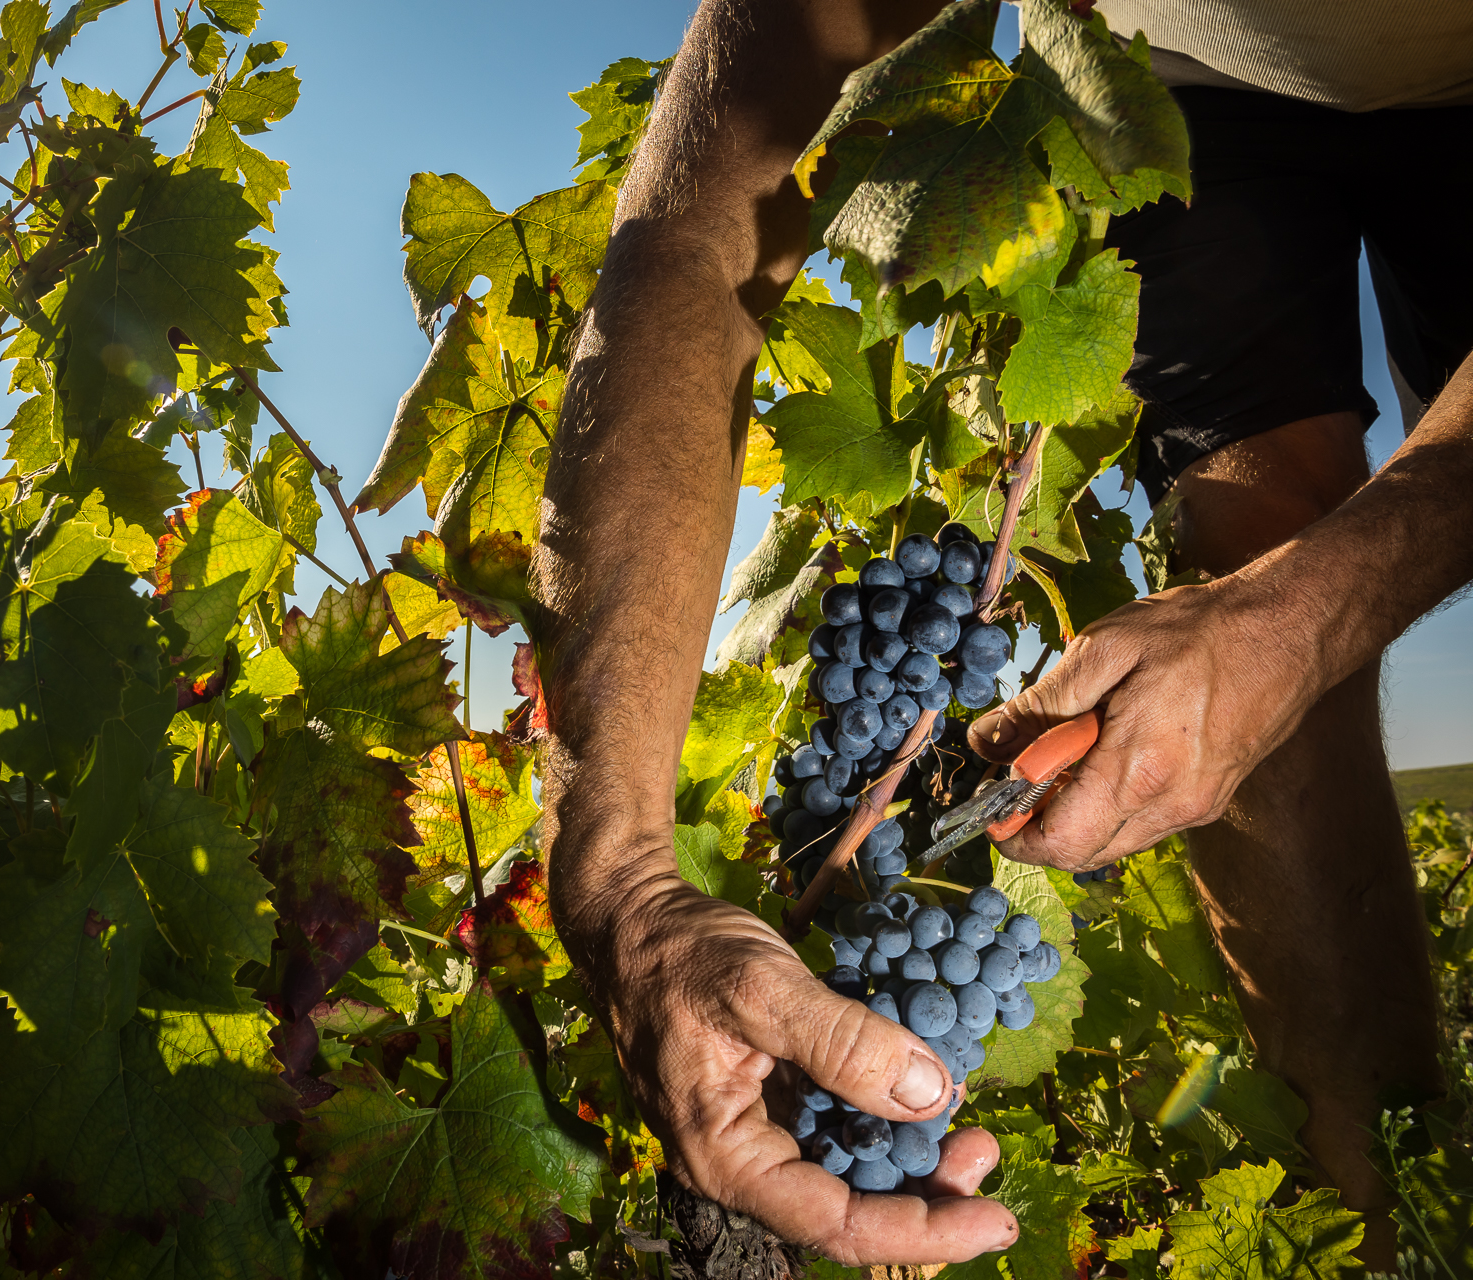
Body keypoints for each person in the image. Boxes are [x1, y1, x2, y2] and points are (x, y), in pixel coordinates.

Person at [533, 0, 1473, 1266]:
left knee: (1316, 589)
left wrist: (1305, 618)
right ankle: (1386, 1224)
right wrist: (617, 876)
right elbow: (692, 236)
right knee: (1248, 534)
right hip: (1179, 78)